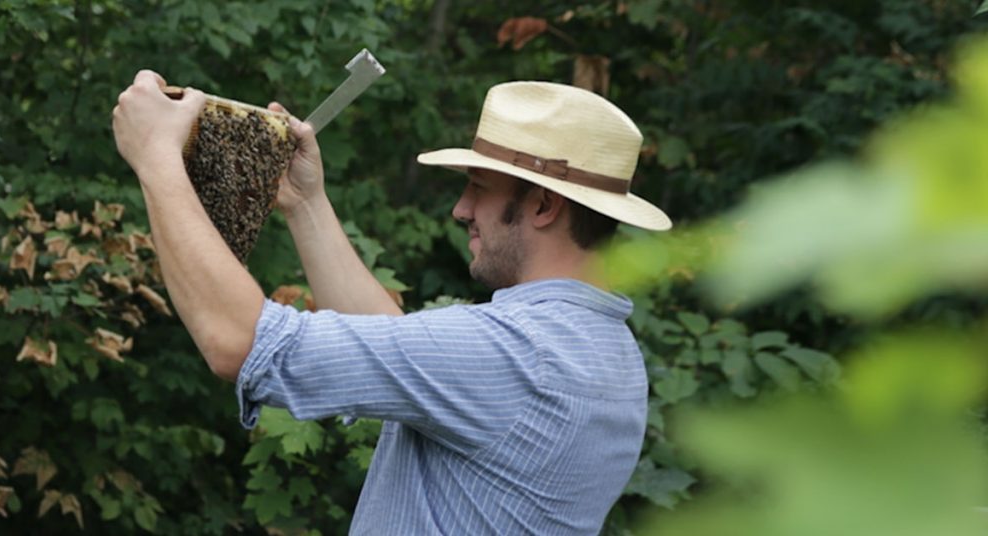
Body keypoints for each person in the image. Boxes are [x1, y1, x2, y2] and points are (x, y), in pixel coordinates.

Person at [112, 70, 672, 535]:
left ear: (544, 206)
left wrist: (158, 158)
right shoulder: (603, 350)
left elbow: (241, 343)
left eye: (478, 186)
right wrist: (306, 204)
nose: (460, 208)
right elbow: (409, 359)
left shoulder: (519, 353)